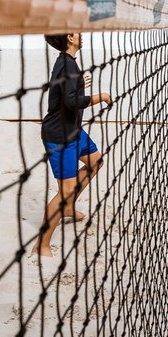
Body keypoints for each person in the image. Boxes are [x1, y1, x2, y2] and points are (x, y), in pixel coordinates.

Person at [35, 33, 111, 258]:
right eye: (77, 32)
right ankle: (41, 245)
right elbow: (70, 102)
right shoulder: (67, 65)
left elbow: (65, 94)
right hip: (60, 136)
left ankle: (68, 207)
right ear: (70, 37)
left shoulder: (68, 63)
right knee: (65, 191)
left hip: (74, 130)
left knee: (96, 162)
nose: (81, 34)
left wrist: (78, 84)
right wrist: (101, 96)